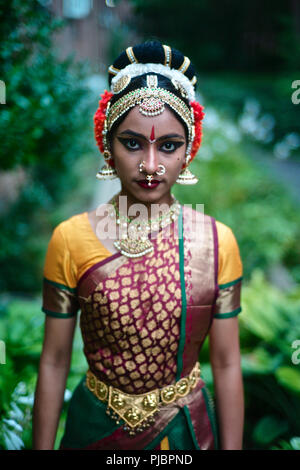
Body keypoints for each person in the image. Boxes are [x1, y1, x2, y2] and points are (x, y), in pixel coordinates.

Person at [33, 41, 244, 450]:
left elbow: (227, 362)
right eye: (132, 143)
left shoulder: (217, 243)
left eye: (168, 145)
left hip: (183, 434)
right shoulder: (70, 239)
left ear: (189, 151)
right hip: (94, 429)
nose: (150, 165)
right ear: (107, 147)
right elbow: (54, 360)